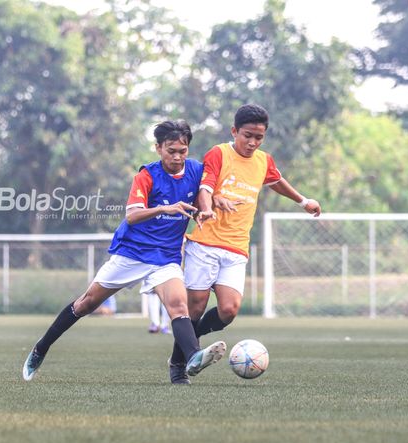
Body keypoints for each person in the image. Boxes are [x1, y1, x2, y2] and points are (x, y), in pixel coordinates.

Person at [22, 120, 226, 383]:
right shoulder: (147, 176)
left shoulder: (196, 170)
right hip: (131, 253)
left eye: (182, 151)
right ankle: (42, 347)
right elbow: (132, 216)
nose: (177, 156)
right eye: (171, 150)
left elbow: (204, 195)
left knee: (178, 306)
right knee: (86, 303)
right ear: (158, 148)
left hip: (166, 256)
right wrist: (164, 208)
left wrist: (210, 203)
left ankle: (193, 358)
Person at [166, 104, 321, 384]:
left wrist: (303, 201)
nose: (252, 142)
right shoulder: (219, 153)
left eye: (259, 137)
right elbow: (205, 187)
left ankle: (193, 336)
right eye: (247, 135)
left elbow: (276, 180)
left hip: (236, 248)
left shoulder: (263, 160)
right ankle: (179, 365)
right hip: (205, 243)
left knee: (229, 310)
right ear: (234, 131)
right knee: (196, 307)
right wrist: (208, 207)